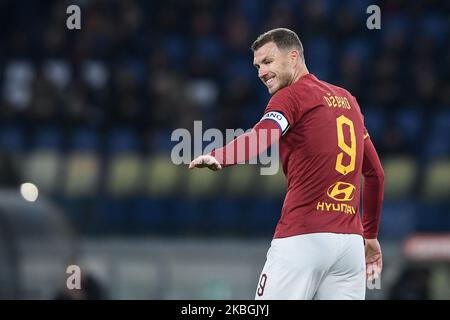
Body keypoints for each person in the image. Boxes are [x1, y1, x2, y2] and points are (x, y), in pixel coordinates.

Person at [189, 28, 384, 300]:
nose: (261, 72)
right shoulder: (348, 101)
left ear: (293, 57)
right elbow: (375, 174)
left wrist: (221, 156)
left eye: (268, 62)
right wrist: (370, 235)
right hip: (350, 247)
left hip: (303, 239)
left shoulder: (290, 97)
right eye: (257, 66)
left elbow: (263, 135)